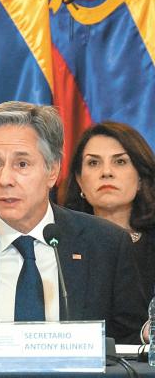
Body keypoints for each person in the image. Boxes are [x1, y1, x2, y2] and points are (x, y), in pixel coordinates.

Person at [0, 101, 147, 355]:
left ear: (52, 170)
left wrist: (146, 336)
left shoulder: (106, 245)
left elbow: (132, 348)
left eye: (22, 164)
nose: (5, 180)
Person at [65, 121, 155, 299]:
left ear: (140, 179)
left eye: (120, 161)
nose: (106, 172)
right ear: (79, 180)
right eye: (93, 163)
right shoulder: (60, 244)